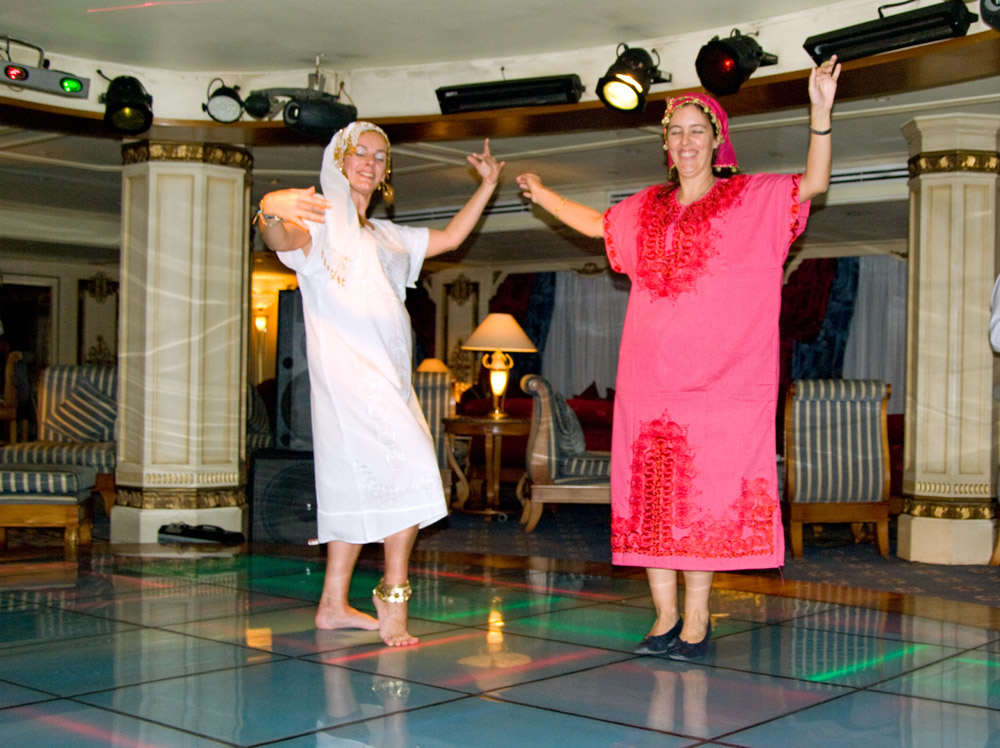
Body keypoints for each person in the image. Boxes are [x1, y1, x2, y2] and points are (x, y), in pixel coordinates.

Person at [517, 57, 841, 660]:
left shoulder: (749, 197)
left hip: (721, 387)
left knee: (703, 497)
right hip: (649, 382)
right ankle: (663, 617)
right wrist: (543, 195)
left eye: (697, 130)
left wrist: (819, 111)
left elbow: (813, 184)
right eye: (675, 132)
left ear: (718, 141)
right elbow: (595, 224)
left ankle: (696, 620)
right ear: (665, 144)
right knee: (651, 496)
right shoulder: (644, 208)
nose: (686, 141)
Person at [257, 121, 504, 646]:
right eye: (360, 152)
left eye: (379, 156)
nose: (370, 163)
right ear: (339, 159)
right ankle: (393, 593)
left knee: (356, 485)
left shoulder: (387, 235)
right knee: (414, 469)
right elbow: (279, 236)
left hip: (391, 380)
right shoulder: (321, 224)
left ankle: (332, 603)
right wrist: (271, 206)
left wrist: (486, 186)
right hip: (349, 380)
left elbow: (452, 238)